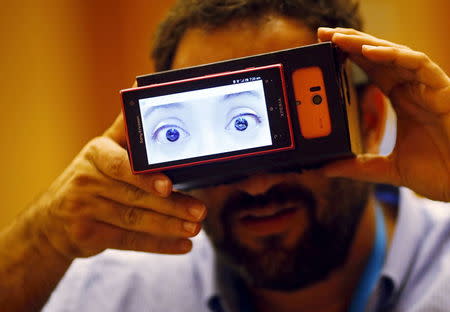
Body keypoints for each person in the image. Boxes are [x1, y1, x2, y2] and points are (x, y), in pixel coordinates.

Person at [0, 0, 449, 311]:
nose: (256, 183)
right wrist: (46, 242)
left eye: (285, 138)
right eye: (222, 145)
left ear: (369, 122)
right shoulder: (113, 289)